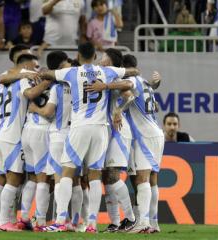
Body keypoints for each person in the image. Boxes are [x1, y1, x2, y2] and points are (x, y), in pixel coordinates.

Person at [40, 42, 139, 233]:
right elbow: (133, 72)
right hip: (101, 129)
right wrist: (109, 83)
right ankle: (92, 224)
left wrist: (40, 73)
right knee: (95, 176)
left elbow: (50, 74)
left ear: (78, 55)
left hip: (79, 127)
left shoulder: (72, 72)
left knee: (67, 172)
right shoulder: (108, 72)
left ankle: (60, 221)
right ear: (95, 56)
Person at [0, 54, 53, 232]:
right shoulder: (24, 79)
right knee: (14, 179)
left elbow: (2, 78)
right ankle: (4, 221)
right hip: (12, 135)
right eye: (34, 67)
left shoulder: (3, 81)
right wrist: (48, 79)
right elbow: (31, 93)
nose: (36, 71)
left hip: (0, 133)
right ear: (26, 66)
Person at [26, 51, 82, 231]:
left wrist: (35, 109)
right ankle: (75, 221)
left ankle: (56, 220)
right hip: (77, 134)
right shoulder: (79, 84)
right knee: (76, 180)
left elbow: (49, 112)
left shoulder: (57, 87)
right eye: (67, 61)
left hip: (58, 134)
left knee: (58, 179)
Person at [116, 54, 164, 233]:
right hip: (156, 132)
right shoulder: (144, 82)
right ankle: (154, 223)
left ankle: (143, 223)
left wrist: (119, 109)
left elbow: (127, 92)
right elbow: (156, 106)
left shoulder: (131, 82)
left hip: (145, 135)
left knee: (142, 178)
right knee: (152, 180)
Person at [99, 48, 136, 233]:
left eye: (104, 56)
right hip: (107, 131)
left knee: (113, 175)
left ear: (110, 60)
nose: (100, 58)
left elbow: (129, 94)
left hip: (119, 131)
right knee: (106, 178)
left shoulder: (114, 77)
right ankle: (114, 222)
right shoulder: (104, 76)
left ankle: (131, 218)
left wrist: (119, 111)